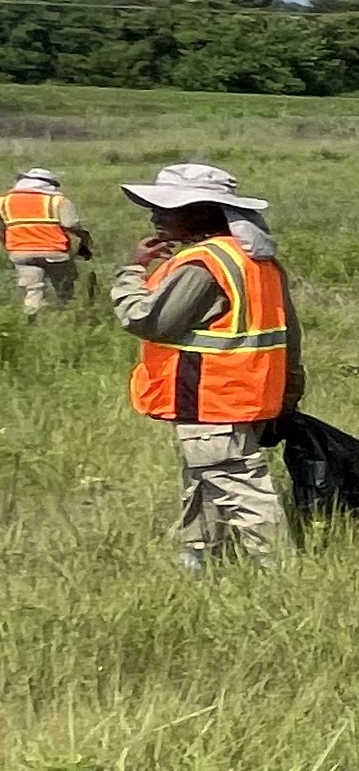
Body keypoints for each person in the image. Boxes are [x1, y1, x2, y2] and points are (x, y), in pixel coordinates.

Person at [110, 163, 302, 566]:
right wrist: (288, 394)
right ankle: (199, 558)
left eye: (167, 208)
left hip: (210, 396)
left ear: (201, 211)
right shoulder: (256, 258)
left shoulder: (204, 264)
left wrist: (130, 270)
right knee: (204, 480)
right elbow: (290, 335)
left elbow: (148, 321)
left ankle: (281, 572)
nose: (155, 215)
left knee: (238, 486)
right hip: (246, 394)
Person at [6, 164, 88, 314]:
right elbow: (71, 224)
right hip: (54, 251)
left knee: (33, 289)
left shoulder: (6, 201)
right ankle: (66, 314)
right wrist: (85, 241)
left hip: (20, 252)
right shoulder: (58, 200)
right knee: (64, 286)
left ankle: (32, 317)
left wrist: (8, 243)